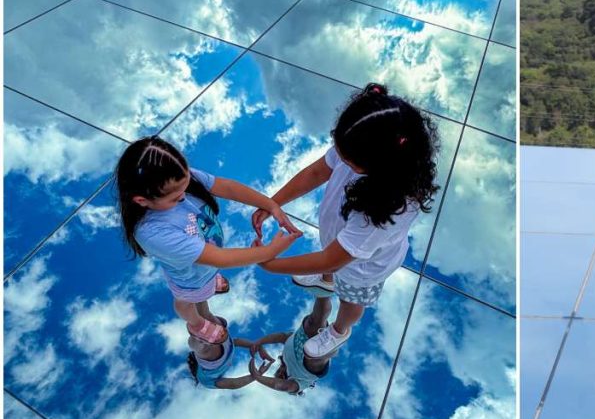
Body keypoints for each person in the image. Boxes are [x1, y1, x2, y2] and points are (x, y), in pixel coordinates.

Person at [252, 83, 438, 358]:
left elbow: (332, 259)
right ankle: (326, 282)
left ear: (381, 164)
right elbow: (316, 173)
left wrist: (270, 262)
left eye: (348, 161)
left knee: (351, 300)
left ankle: (339, 331)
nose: (340, 160)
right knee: (331, 260)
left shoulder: (387, 209)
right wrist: (273, 202)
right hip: (339, 245)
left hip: (362, 268)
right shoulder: (359, 142)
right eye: (339, 152)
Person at [115, 136, 302, 344]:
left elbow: (228, 187)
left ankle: (211, 282)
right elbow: (219, 258)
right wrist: (269, 251)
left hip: (206, 264)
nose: (184, 197)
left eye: (186, 186)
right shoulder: (153, 232)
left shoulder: (178, 178)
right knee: (186, 301)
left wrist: (271, 205)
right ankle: (196, 324)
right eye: (176, 198)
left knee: (208, 277)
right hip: (189, 278)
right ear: (142, 201)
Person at [242, 297, 336, 395]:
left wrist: (258, 342)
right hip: (307, 366)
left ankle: (324, 292)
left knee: (314, 321)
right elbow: (284, 386)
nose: (279, 373)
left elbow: (282, 337)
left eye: (278, 372)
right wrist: (258, 377)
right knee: (313, 358)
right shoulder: (298, 383)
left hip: (301, 337)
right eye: (280, 376)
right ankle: (326, 350)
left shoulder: (286, 356)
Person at [186, 316, 273, 389]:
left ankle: (201, 321)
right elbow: (236, 342)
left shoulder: (204, 379)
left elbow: (233, 384)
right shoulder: (205, 379)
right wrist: (256, 346)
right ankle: (201, 314)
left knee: (204, 344)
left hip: (224, 345)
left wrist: (257, 375)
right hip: (224, 344)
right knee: (207, 319)